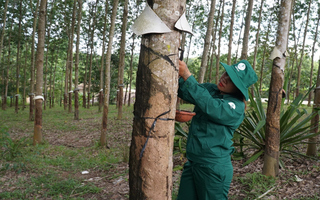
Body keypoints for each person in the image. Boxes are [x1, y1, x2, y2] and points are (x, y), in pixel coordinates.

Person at [177, 59, 258, 200]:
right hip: (193, 162)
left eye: (232, 80)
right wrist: (177, 74)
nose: (224, 79)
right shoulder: (211, 89)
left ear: (238, 88)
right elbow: (187, 91)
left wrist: (188, 75)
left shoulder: (235, 106)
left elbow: (211, 107)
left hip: (213, 167)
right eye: (226, 73)